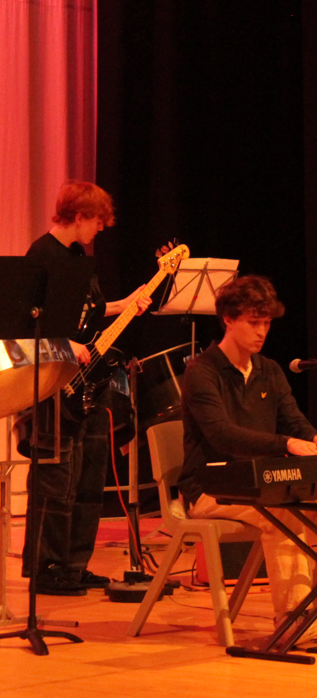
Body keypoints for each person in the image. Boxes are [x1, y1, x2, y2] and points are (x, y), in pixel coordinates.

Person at [178, 275, 317, 644]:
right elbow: (222, 434)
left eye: (266, 323)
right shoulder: (202, 371)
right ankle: (293, 618)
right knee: (283, 511)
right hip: (211, 490)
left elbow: (294, 420)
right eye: (253, 322)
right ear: (229, 320)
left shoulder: (270, 370)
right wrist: (287, 443)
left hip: (264, 483)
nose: (262, 331)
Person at [23, 180, 151, 596]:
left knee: (88, 478)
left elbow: (90, 313)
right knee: (56, 479)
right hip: (51, 383)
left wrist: (127, 303)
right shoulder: (40, 256)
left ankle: (75, 564)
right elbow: (25, 327)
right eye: (97, 221)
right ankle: (47, 568)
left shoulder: (80, 258)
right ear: (78, 217)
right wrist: (66, 344)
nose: (100, 229)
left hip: (89, 384)